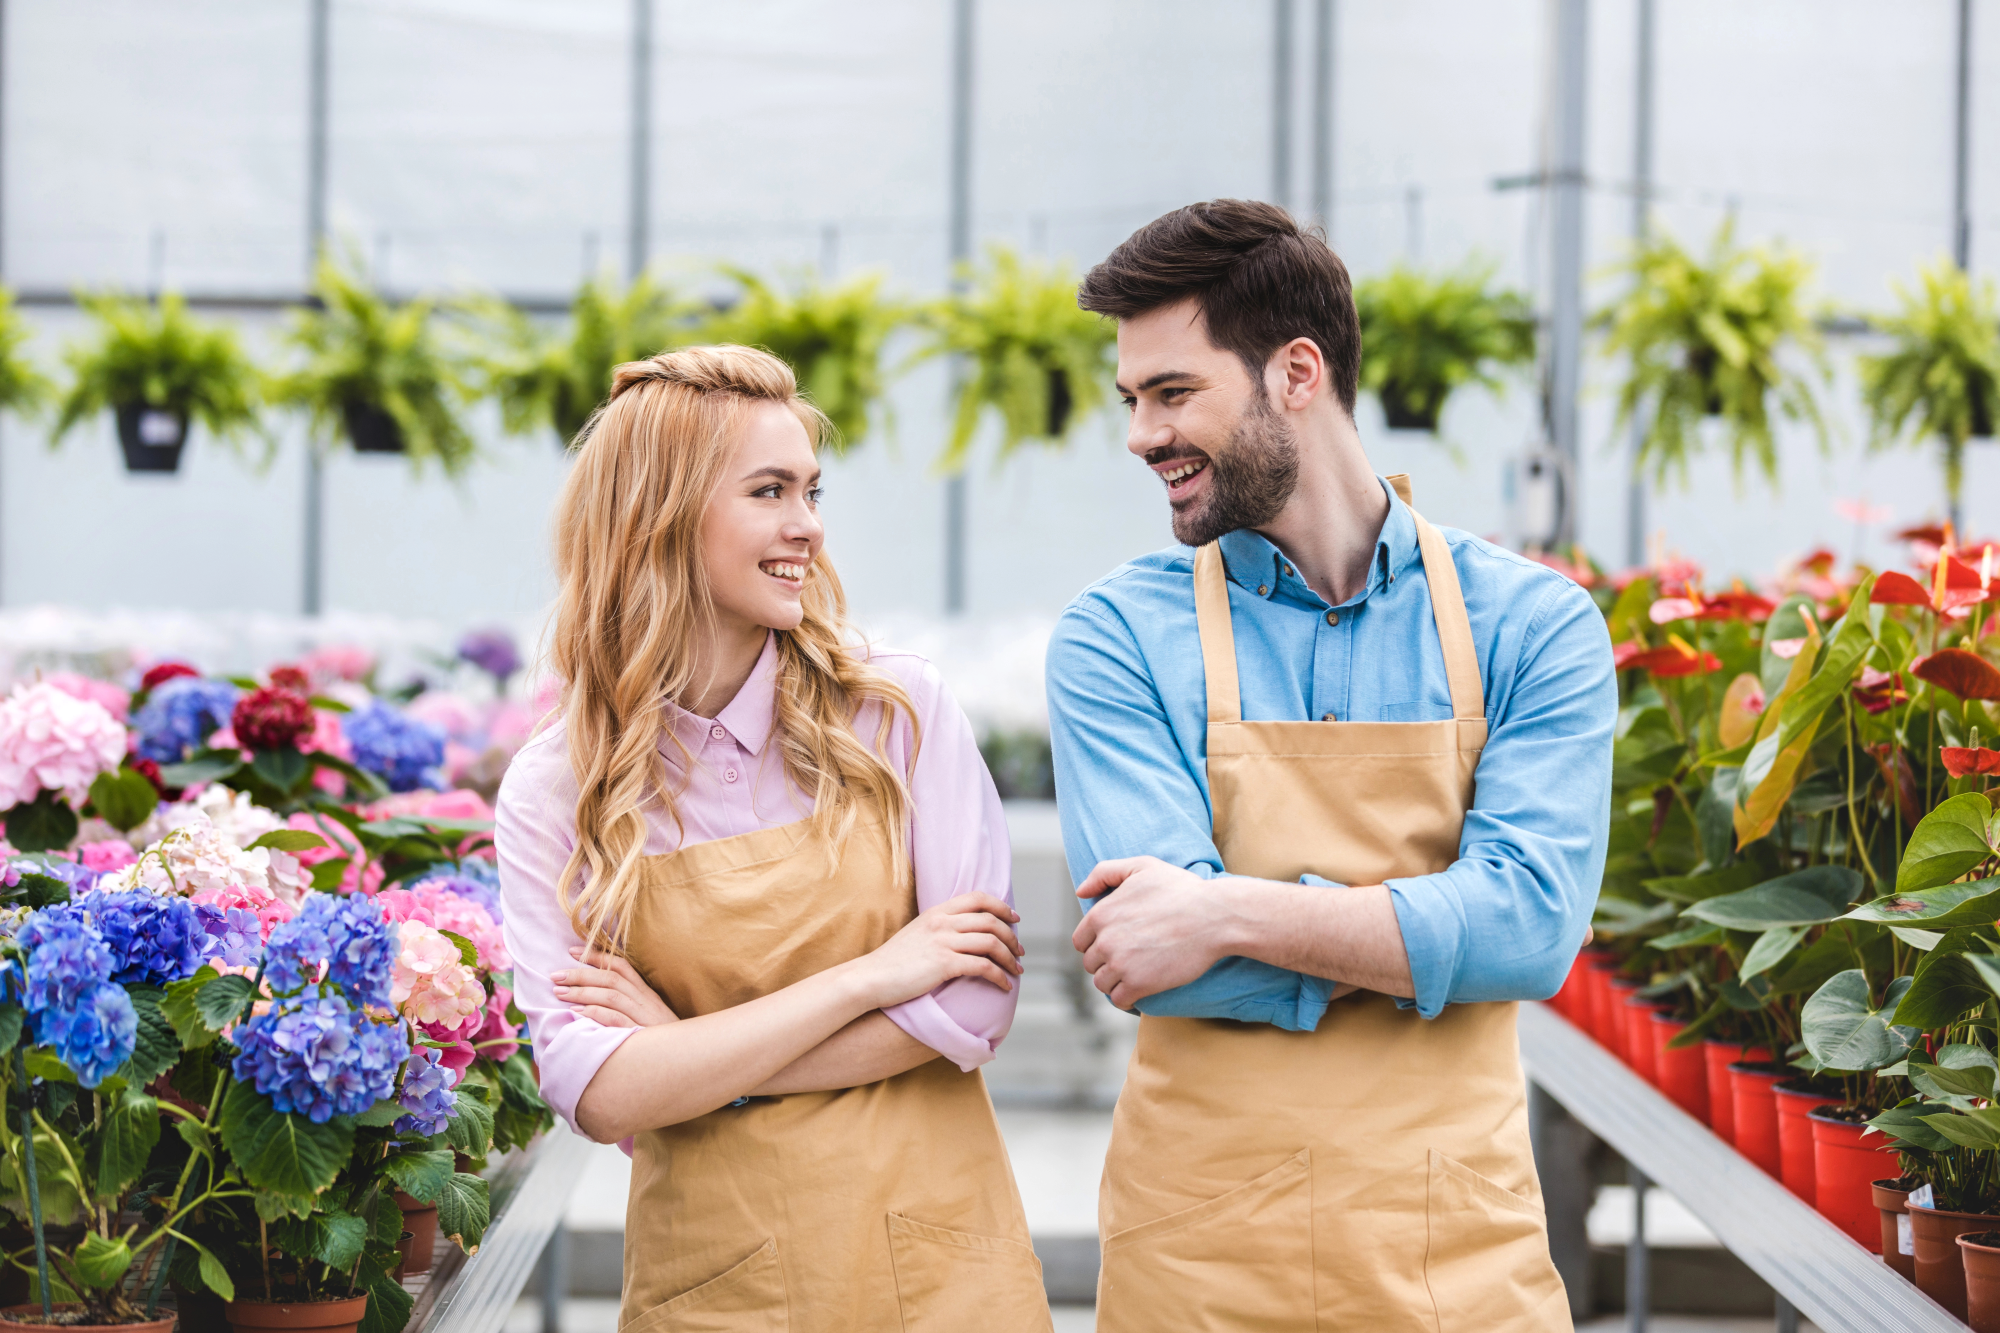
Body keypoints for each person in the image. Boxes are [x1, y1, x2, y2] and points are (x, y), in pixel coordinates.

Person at [1047, 201, 1616, 1330]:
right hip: (1200, 1261)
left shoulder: (1532, 624)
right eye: (1132, 401)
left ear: (1295, 372)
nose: (1138, 435)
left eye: (1170, 393)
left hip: (1450, 1256)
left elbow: (1529, 931)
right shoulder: (1113, 635)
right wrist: (1425, 944)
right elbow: (1156, 957)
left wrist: (1226, 911)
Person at [497, 345, 1053, 1333]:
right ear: (658, 517)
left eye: (809, 488)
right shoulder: (558, 788)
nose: (808, 525)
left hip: (935, 1276)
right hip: (717, 1287)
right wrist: (870, 977)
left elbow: (971, 1003)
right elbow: (599, 1089)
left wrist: (690, 1054)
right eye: (768, 490)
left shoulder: (896, 713)